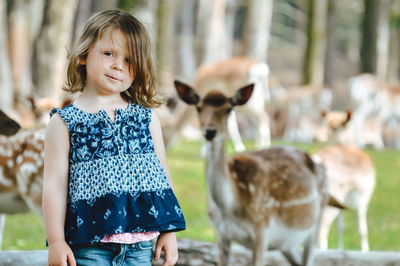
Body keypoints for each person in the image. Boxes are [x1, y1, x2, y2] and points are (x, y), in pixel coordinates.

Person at [42, 9, 185, 266]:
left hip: (140, 248)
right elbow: (54, 184)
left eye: (130, 60)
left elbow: (162, 175)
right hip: (88, 247)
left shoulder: (147, 118)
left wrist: (168, 230)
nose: (119, 65)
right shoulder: (64, 122)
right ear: (84, 55)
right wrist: (56, 241)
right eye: (109, 53)